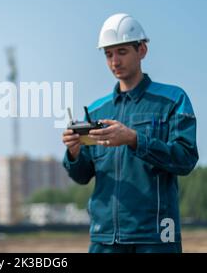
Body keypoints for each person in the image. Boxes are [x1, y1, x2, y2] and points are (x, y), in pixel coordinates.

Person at [62, 13, 199, 253]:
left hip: (156, 238)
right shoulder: (96, 111)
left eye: (122, 52)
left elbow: (185, 159)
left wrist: (135, 140)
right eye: (108, 54)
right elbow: (83, 175)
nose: (114, 61)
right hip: (104, 239)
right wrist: (73, 153)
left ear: (142, 50)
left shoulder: (173, 100)